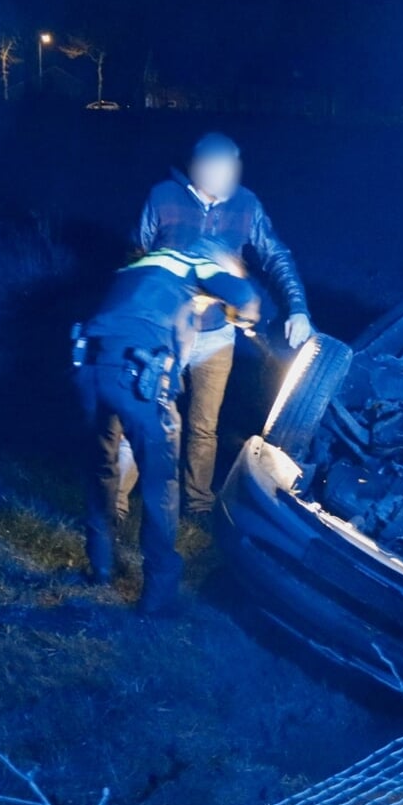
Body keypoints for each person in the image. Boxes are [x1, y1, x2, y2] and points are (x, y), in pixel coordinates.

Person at [134, 133, 313, 517]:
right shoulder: (163, 196)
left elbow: (276, 255)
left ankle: (196, 505)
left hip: (217, 336)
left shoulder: (246, 205)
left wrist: (297, 308)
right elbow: (136, 252)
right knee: (150, 414)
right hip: (167, 332)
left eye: (230, 167)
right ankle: (124, 504)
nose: (224, 175)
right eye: (215, 167)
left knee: (203, 426)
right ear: (196, 165)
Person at [74, 247, 259, 613]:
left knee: (101, 468)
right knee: (161, 484)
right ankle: (157, 595)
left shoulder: (143, 268)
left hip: (89, 369)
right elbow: (244, 296)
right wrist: (242, 316)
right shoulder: (195, 263)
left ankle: (100, 566)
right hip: (136, 377)